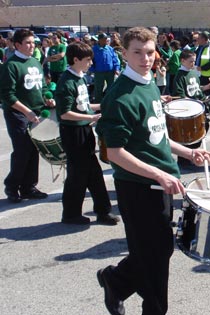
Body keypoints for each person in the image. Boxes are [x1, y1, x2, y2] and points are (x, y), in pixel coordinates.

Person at [95, 27, 210, 315]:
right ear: (124, 53)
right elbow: (114, 153)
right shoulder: (120, 97)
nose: (145, 58)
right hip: (137, 188)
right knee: (155, 256)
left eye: (149, 52)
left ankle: (117, 280)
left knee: (158, 253)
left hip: (158, 185)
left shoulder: (148, 85)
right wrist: (158, 175)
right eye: (137, 52)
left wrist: (187, 151)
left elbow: (155, 136)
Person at [54, 41, 118, 225]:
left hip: (84, 130)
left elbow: (83, 105)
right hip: (73, 134)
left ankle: (103, 211)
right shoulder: (66, 81)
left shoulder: (79, 76)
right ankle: (71, 214)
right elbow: (64, 113)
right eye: (88, 60)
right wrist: (90, 118)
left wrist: (104, 106)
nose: (91, 63)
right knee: (77, 175)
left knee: (94, 173)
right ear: (76, 59)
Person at [0, 29, 54, 203]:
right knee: (23, 150)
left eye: (33, 42)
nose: (32, 46)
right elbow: (7, 96)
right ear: (17, 45)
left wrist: (48, 98)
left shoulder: (35, 62)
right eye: (28, 43)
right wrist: (26, 111)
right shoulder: (11, 65)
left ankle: (28, 187)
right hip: (18, 114)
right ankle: (12, 186)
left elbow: (42, 87)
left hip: (36, 112)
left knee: (33, 149)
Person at [90, 33, 120, 103]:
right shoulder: (94, 49)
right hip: (98, 72)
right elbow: (90, 59)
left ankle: (109, 102)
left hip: (110, 72)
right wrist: (92, 69)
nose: (105, 41)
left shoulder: (110, 49)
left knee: (111, 88)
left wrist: (116, 68)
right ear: (99, 40)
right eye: (104, 39)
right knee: (98, 89)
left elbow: (115, 59)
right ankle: (98, 104)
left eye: (106, 39)